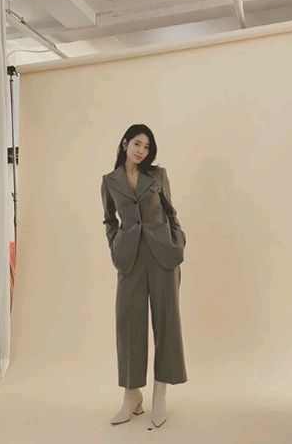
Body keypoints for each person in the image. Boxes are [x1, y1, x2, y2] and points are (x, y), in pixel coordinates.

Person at [100, 124, 188, 428]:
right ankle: (131, 395)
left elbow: (171, 212)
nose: (141, 150)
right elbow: (109, 220)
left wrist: (177, 241)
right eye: (137, 143)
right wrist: (116, 246)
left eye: (147, 146)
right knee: (128, 324)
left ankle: (160, 394)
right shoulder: (109, 181)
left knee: (166, 323)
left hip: (163, 254)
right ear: (125, 143)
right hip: (130, 258)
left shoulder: (158, 175)